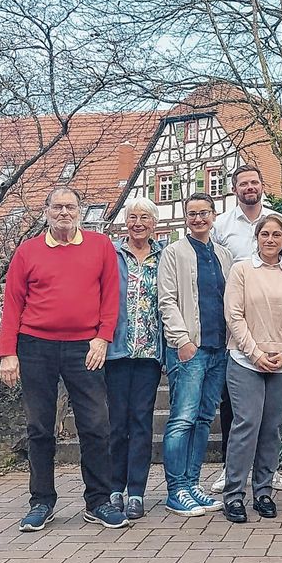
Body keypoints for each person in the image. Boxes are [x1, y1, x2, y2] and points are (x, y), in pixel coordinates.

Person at [0, 186, 128, 531]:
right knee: (39, 427)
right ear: (46, 210)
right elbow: (12, 304)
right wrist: (8, 352)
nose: (64, 213)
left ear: (80, 211)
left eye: (70, 207)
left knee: (96, 425)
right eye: (57, 207)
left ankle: (98, 501)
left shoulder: (100, 247)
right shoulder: (28, 252)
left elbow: (111, 298)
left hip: (84, 346)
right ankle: (41, 501)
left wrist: (103, 338)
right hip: (36, 345)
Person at [210, 164, 282, 493]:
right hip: (238, 324)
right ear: (235, 189)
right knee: (237, 409)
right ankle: (233, 470)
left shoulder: (275, 221)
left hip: (274, 325)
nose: (249, 187)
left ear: (262, 186)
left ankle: (267, 472)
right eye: (243, 183)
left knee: (270, 415)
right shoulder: (222, 225)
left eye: (254, 182)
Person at [223, 214, 282, 523]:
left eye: (277, 235)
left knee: (272, 429)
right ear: (256, 238)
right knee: (246, 425)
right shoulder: (242, 270)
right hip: (246, 361)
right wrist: (256, 353)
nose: (271, 240)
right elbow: (234, 315)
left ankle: (263, 492)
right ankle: (233, 495)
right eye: (265, 234)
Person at [158, 193, 233, 517]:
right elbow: (167, 300)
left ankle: (192, 485)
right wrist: (182, 340)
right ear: (186, 218)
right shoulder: (174, 253)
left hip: (219, 349)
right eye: (192, 213)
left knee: (204, 419)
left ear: (214, 216)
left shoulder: (224, 255)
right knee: (182, 419)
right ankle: (176, 490)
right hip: (190, 350)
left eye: (204, 213)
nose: (198, 218)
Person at [106, 197, 165, 520]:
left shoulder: (163, 256)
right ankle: (115, 487)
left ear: (154, 223)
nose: (138, 223)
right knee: (117, 422)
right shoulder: (111, 255)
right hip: (116, 350)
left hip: (149, 353)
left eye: (144, 217)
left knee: (142, 421)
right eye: (132, 217)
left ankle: (137, 492)